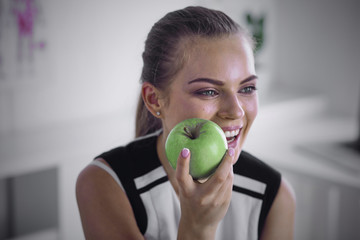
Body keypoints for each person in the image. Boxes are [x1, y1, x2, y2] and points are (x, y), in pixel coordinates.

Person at [76, 6, 295, 240]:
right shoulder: (104, 184)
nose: (235, 110)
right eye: (209, 91)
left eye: (247, 88)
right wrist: (198, 228)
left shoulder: (276, 197)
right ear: (154, 99)